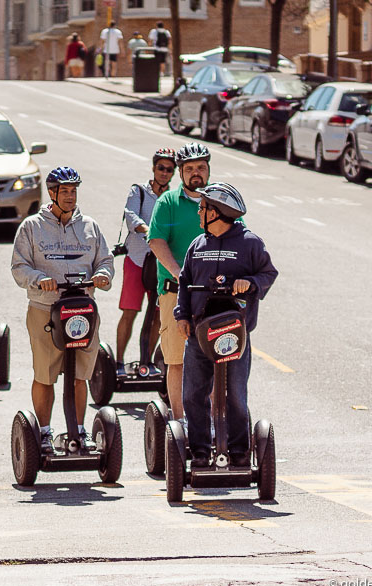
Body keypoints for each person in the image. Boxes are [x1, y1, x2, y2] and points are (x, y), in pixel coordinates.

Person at [11, 167, 115, 453]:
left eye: (74, 191)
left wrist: (104, 275)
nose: (70, 196)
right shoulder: (32, 226)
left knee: (80, 374)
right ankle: (43, 433)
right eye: (64, 191)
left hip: (82, 309)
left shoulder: (89, 226)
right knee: (45, 374)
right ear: (52, 193)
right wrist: (37, 279)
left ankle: (78, 432)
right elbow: (19, 267)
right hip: (46, 310)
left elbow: (105, 260)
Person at [175, 183, 278, 468]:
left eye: (203, 208)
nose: (198, 212)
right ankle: (198, 451)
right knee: (193, 394)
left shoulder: (249, 243)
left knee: (235, 394)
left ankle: (239, 451)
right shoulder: (198, 245)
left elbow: (269, 272)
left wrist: (252, 282)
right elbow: (184, 282)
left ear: (216, 212)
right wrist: (182, 315)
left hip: (235, 335)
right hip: (199, 334)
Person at [146, 142, 212, 423]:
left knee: (214, 360)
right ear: (181, 173)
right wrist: (179, 272)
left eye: (200, 167)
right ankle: (181, 421)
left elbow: (241, 236)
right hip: (176, 292)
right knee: (177, 360)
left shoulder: (220, 198)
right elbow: (156, 241)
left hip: (212, 295)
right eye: (189, 169)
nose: (195, 173)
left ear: (208, 169)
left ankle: (210, 422)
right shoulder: (168, 202)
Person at [115, 148, 175, 376]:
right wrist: (149, 230)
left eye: (169, 170)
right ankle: (119, 363)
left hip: (161, 264)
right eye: (161, 168)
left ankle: (146, 363)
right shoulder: (138, 191)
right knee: (130, 311)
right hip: (137, 259)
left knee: (158, 316)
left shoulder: (172, 198)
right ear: (153, 168)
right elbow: (130, 215)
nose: (164, 173)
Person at [147, 21, 172, 89]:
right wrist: (170, 49)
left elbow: (151, 40)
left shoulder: (154, 31)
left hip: (157, 48)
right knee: (162, 61)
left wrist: (148, 48)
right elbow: (169, 41)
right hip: (164, 49)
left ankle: (157, 72)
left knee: (156, 61)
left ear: (157, 26)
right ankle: (162, 73)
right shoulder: (166, 32)